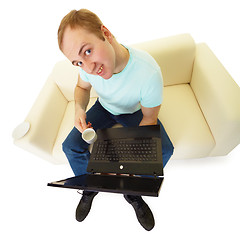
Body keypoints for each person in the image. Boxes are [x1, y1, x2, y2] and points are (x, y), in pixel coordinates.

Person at [58, 9, 174, 231]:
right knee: (70, 146)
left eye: (88, 51)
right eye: (78, 62)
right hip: (103, 108)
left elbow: (149, 118)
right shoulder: (88, 67)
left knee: (165, 150)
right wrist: (79, 109)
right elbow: (82, 87)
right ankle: (90, 187)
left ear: (106, 33)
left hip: (135, 113)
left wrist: (124, 165)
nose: (89, 67)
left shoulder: (148, 72)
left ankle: (133, 193)